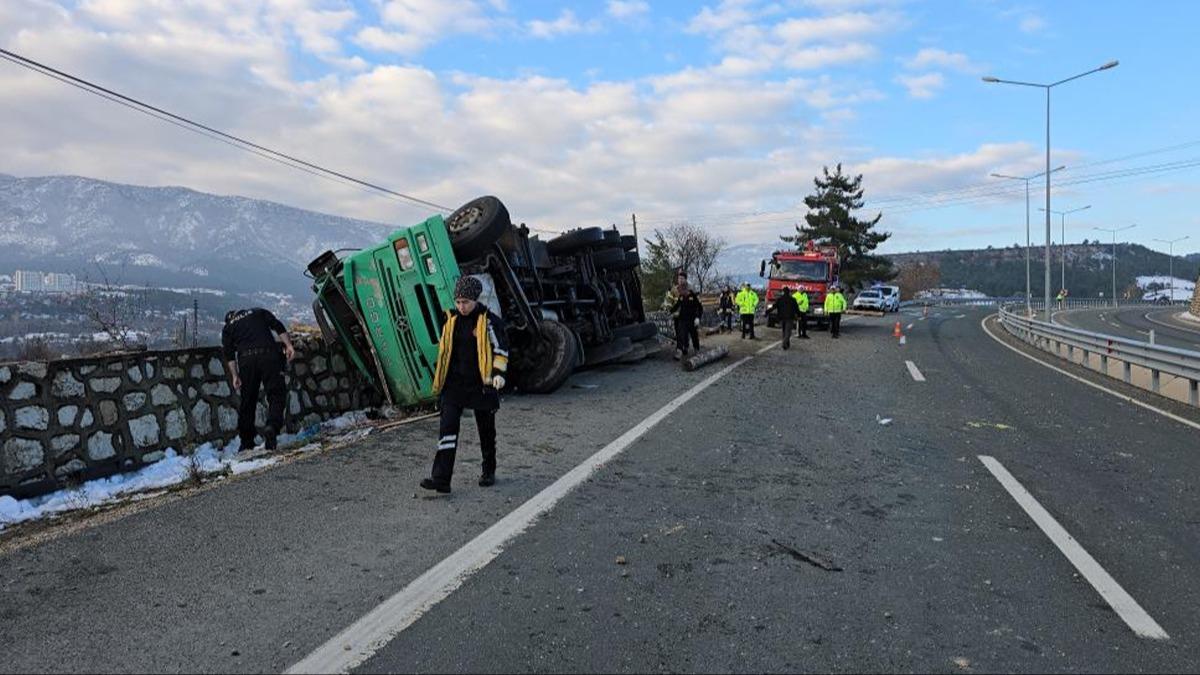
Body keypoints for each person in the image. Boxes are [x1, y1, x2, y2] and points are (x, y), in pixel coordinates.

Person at [421, 276, 509, 494]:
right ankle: (441, 479)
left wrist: (498, 373)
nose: (461, 307)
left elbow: (500, 350)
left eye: (466, 302)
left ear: (475, 300)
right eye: (458, 302)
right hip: (455, 385)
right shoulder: (450, 322)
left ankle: (488, 470)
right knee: (447, 429)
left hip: (482, 385)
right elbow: (445, 353)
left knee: (486, 431)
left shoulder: (490, 321)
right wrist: (439, 382)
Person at [222, 308, 295, 451]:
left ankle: (246, 442)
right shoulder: (257, 312)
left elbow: (229, 354)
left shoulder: (228, 327)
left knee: (248, 401)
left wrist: (235, 375)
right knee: (276, 394)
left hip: (246, 360)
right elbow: (278, 326)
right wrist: (289, 345)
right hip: (269, 354)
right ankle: (272, 427)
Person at [665, 278, 703, 359]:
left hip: (692, 319)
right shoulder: (681, 297)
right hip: (682, 319)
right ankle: (680, 351)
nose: (680, 292)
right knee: (681, 335)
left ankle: (696, 350)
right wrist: (670, 312)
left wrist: (698, 318)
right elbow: (677, 305)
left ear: (686, 289)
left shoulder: (693, 296)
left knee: (694, 336)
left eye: (681, 290)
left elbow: (699, 308)